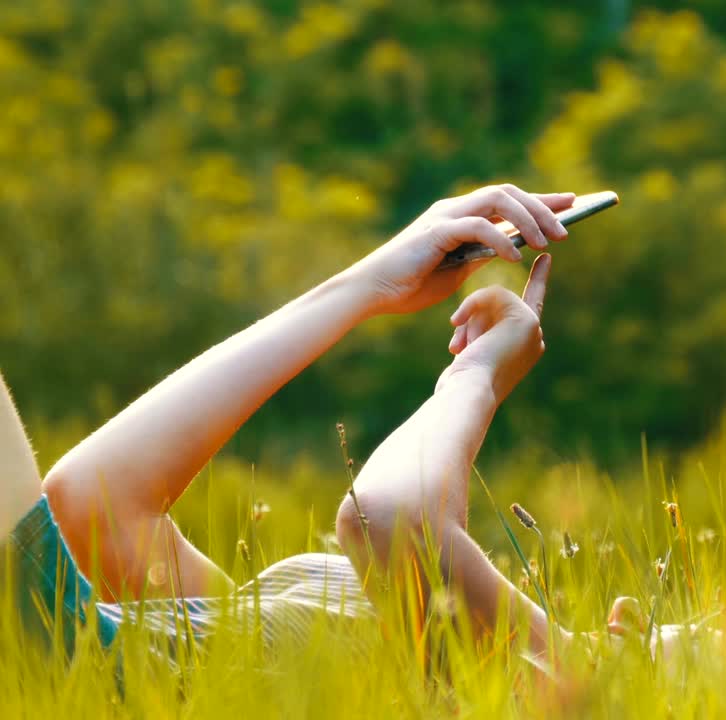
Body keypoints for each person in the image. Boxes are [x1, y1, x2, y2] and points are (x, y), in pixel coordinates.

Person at [2, 184, 595, 662]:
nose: (688, 624)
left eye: (691, 636)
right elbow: (96, 509)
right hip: (73, 644)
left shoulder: (562, 679)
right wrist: (368, 285)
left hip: (63, 652)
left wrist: (478, 375)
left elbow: (390, 520)